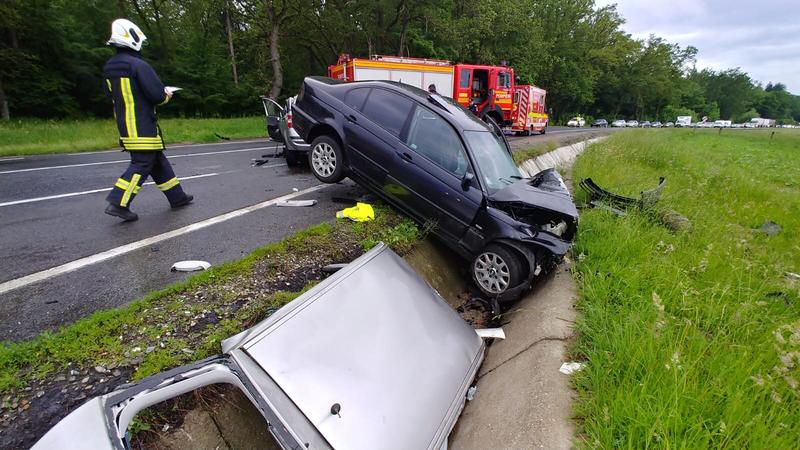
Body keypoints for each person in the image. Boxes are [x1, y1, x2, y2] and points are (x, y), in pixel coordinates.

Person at [103, 18, 192, 222]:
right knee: (142, 163)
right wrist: (167, 94)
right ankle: (118, 202)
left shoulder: (111, 67)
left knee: (157, 161)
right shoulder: (138, 65)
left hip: (125, 124)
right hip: (142, 124)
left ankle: (177, 197)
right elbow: (156, 95)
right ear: (132, 38)